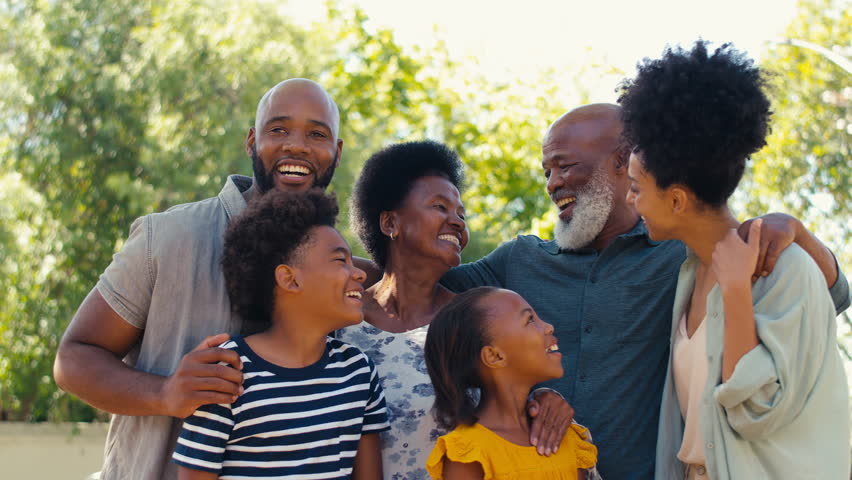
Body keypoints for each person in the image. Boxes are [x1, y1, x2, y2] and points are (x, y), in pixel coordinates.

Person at [439, 103, 851, 479]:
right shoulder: (519, 260)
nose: (553, 183)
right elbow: (414, 284)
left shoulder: (683, 255)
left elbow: (830, 297)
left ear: (622, 162)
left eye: (564, 166)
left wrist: (797, 231)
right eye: (547, 171)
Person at [52, 78, 345, 480]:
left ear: (337, 152)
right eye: (278, 130)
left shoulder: (345, 275)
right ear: (250, 142)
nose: (296, 145)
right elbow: (73, 360)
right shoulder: (169, 237)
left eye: (317, 133)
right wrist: (164, 393)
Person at [619, 40, 850, 479]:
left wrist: (738, 290)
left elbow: (757, 411)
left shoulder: (786, 271)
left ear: (677, 199)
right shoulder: (687, 275)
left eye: (635, 187)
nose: (631, 202)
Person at [340, 141, 573, 479]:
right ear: (390, 223)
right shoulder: (339, 319)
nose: (457, 222)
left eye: (461, 214)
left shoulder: (473, 325)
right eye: (440, 207)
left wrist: (542, 399)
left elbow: (510, 390)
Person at [173, 189, 388, 479]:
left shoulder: (358, 371)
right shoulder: (227, 371)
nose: (360, 274)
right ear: (289, 279)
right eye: (340, 261)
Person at [424, 287, 598, 479]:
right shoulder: (468, 454)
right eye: (530, 320)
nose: (549, 326)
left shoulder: (563, 434)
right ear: (495, 356)